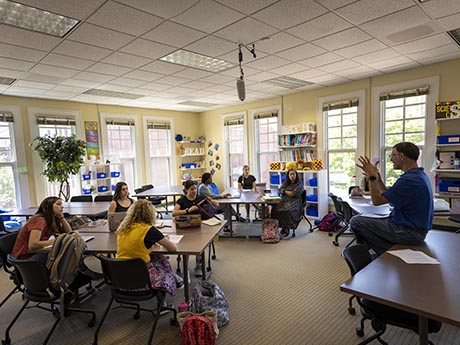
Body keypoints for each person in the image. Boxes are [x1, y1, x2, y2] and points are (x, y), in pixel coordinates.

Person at [350, 142, 433, 256]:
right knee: (362, 217)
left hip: (409, 232)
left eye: (393, 155)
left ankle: (388, 254)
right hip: (414, 228)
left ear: (401, 156)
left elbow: (377, 201)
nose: (391, 159)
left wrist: (372, 177)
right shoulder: (418, 176)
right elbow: (387, 196)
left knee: (356, 222)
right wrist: (378, 179)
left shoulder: (409, 180)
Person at [116, 199, 181, 296]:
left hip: (120, 276)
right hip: (140, 277)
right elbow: (172, 249)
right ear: (150, 214)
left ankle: (176, 279)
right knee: (163, 262)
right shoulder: (149, 230)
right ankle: (170, 288)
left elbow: (135, 244)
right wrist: (162, 239)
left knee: (157, 257)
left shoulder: (123, 228)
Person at [172, 180, 219, 277]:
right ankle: (185, 269)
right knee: (186, 246)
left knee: (200, 244)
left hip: (200, 227)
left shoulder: (200, 198)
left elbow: (216, 205)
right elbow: (174, 213)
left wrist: (211, 200)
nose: (194, 191)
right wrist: (187, 210)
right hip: (186, 228)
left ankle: (199, 266)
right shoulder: (182, 200)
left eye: (195, 188)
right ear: (186, 190)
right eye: (191, 189)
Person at [12, 196, 71, 263]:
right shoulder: (40, 220)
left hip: (36, 252)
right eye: (58, 204)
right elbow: (32, 245)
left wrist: (62, 218)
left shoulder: (52, 218)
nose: (62, 207)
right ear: (48, 207)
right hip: (26, 257)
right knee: (64, 256)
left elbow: (69, 233)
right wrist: (55, 241)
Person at [271, 169, 304, 238]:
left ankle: (286, 228)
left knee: (287, 211)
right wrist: (286, 192)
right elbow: (280, 190)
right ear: (288, 176)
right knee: (275, 208)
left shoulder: (299, 185)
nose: (292, 176)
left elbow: (293, 193)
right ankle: (276, 227)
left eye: (293, 174)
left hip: (295, 202)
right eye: (290, 174)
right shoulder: (285, 183)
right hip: (284, 201)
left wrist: (285, 191)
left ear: (296, 175)